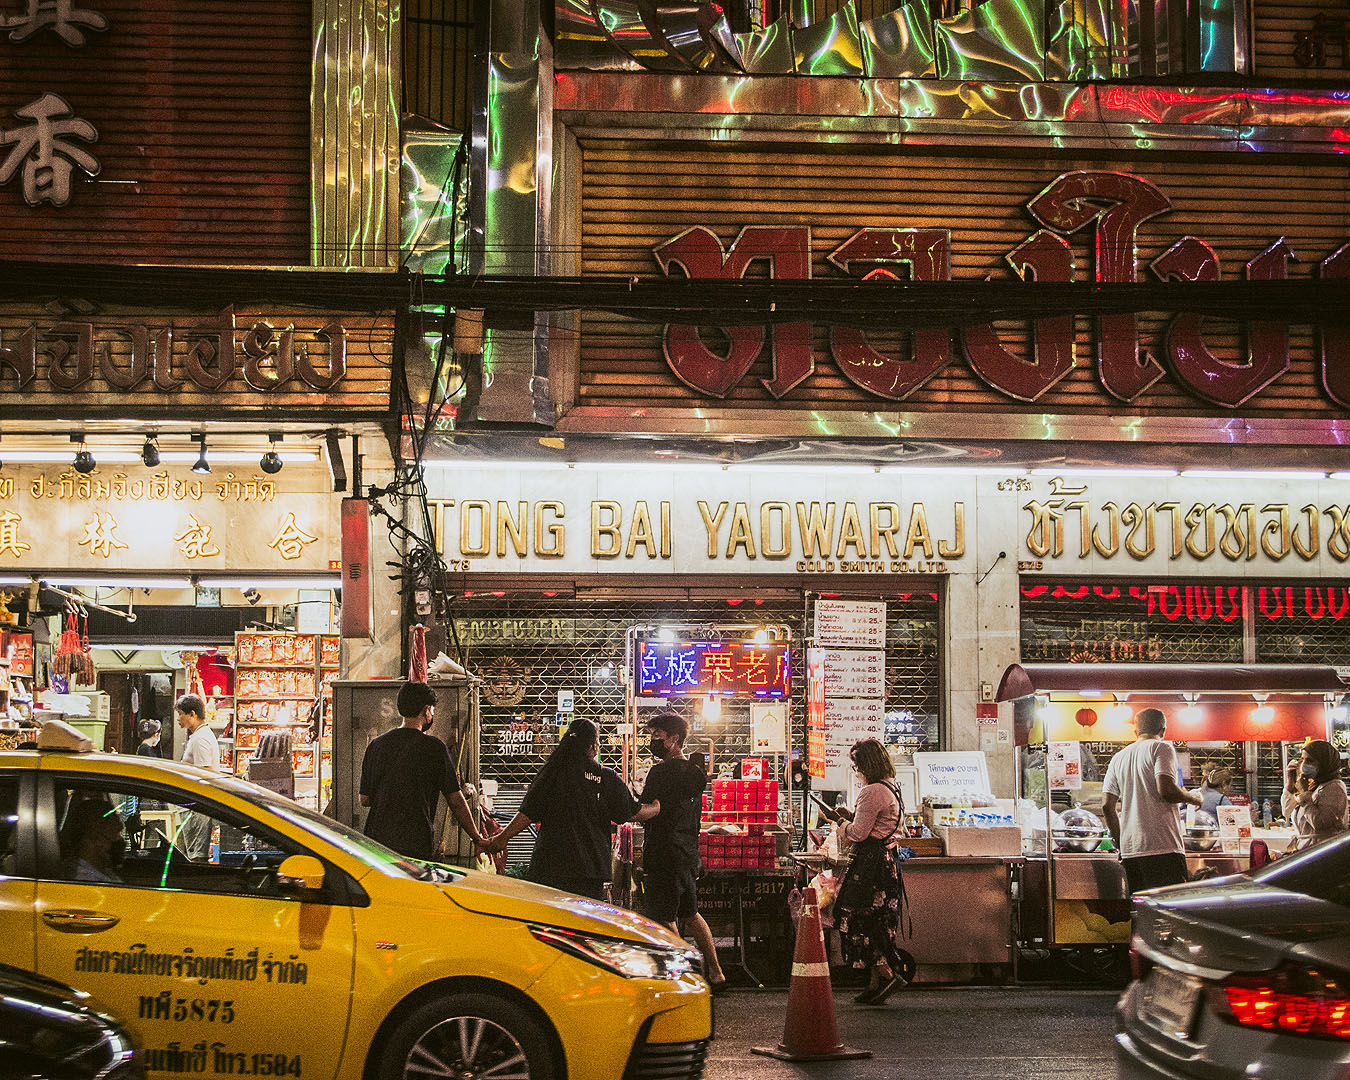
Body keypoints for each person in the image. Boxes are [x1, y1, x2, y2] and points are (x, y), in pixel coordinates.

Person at [481, 717, 639, 901]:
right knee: (581, 925)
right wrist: (657, 807)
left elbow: (528, 812)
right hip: (588, 871)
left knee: (549, 924)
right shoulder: (605, 777)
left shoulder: (552, 772)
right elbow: (630, 812)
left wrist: (502, 839)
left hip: (549, 866)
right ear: (594, 746)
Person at [638, 710, 726, 990]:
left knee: (665, 918)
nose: (652, 741)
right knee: (690, 913)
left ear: (674, 739)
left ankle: (685, 977)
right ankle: (716, 973)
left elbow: (646, 810)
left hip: (664, 854)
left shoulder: (660, 772)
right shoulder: (695, 772)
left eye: (657, 736)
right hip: (688, 853)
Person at [822, 738, 910, 1005]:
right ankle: (874, 984)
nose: (855, 769)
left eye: (856, 764)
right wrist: (851, 817)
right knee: (877, 923)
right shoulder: (891, 787)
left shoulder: (872, 791)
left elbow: (859, 833)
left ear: (867, 764)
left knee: (863, 921)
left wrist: (838, 822)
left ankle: (887, 974)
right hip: (885, 865)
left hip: (871, 869)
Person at [359, 681, 485, 861]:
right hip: (416, 842)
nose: (432, 714)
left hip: (378, 842)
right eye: (432, 710)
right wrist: (477, 838)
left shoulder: (377, 745)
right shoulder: (434, 748)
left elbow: (364, 799)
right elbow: (456, 801)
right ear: (426, 710)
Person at [1102, 707, 1203, 894]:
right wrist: (1194, 798)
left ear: (1135, 731)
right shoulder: (1162, 747)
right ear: (1163, 730)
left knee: (1142, 911)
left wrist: (1121, 846)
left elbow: (1107, 806)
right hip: (1163, 848)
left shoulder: (1118, 758)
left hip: (1131, 852)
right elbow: (1166, 790)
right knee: (1169, 911)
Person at [174, 694, 220, 859]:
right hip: (195, 806)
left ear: (192, 714)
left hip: (197, 808)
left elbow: (205, 774)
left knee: (196, 856)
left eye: (180, 713)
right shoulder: (199, 736)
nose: (178, 718)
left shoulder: (201, 739)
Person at [1282, 739, 1349, 851]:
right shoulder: (1312, 785)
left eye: (1310, 761)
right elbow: (1287, 811)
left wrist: (1304, 793)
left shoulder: (1334, 787)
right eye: (1303, 759)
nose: (1304, 764)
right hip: (1306, 850)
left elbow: (1321, 824)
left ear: (1324, 762)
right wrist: (1290, 783)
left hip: (1322, 853)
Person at [60, 800, 126, 883]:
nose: (120, 840)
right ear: (95, 835)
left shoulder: (101, 871)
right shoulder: (85, 881)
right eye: (115, 834)